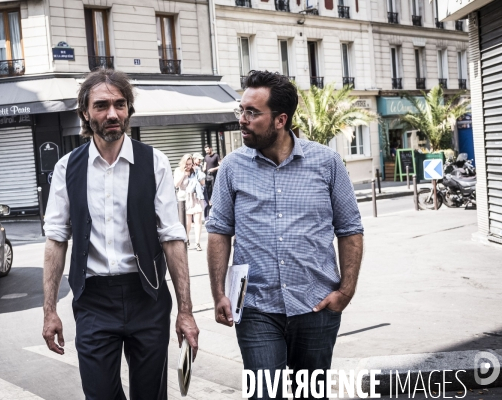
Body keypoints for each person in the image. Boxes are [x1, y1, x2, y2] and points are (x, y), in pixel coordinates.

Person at [205, 71, 364, 400]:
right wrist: (219, 293)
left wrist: (346, 291)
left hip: (316, 306)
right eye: (241, 110)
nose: (243, 120)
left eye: (252, 112)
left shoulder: (327, 162)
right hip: (256, 308)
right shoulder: (232, 167)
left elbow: (350, 229)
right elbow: (218, 232)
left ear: (280, 119)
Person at [42, 69, 199, 400]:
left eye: (120, 104)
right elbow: (56, 239)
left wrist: (185, 310)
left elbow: (172, 237)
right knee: (99, 394)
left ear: (128, 109)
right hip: (94, 300)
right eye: (101, 105)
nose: (112, 113)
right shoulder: (67, 168)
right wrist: (49, 310)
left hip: (147, 296)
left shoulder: (153, 161)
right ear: (85, 112)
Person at [174, 154, 205, 251]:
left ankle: (197, 243)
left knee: (198, 221)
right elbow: (176, 184)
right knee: (187, 224)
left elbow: (203, 183)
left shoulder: (195, 170)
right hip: (184, 199)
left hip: (196, 197)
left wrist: (199, 174)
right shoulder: (178, 170)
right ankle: (186, 238)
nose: (189, 166)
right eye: (187, 164)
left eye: (190, 164)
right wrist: (184, 174)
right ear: (183, 163)